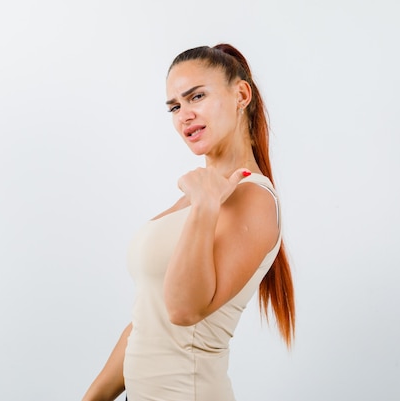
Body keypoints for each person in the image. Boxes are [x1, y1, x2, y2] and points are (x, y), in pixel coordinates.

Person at [82, 44, 295, 401]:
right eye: (175, 106)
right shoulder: (198, 198)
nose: (184, 115)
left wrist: (205, 206)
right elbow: (149, 320)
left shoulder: (251, 199)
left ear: (241, 94)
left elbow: (183, 310)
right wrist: (94, 397)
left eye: (196, 96)